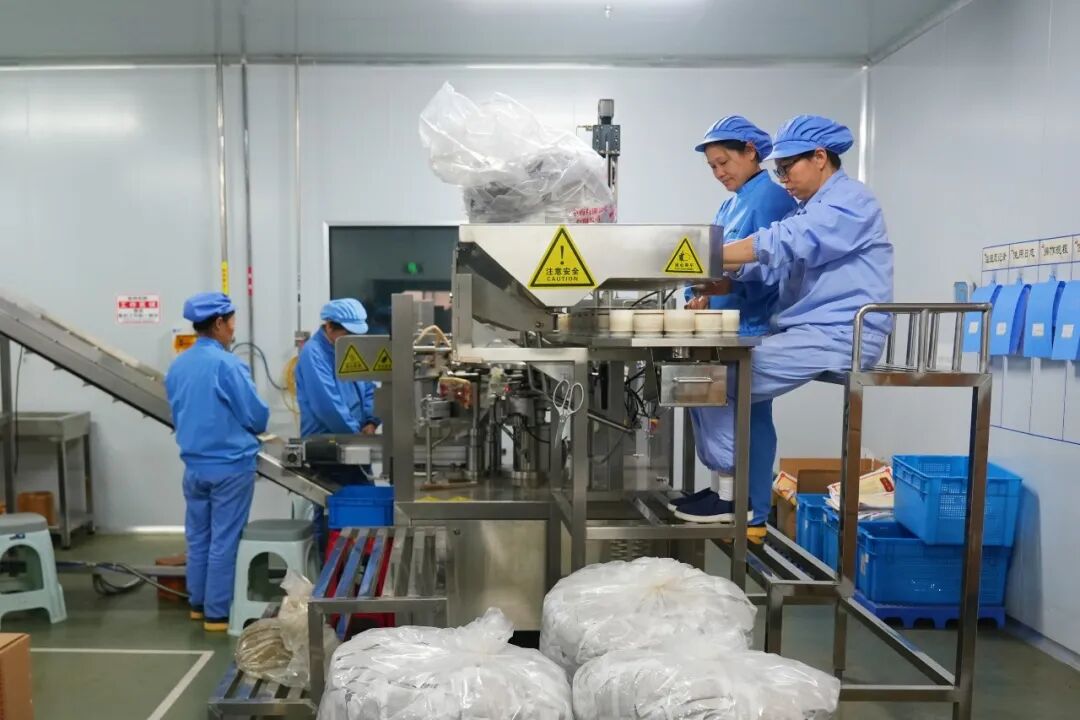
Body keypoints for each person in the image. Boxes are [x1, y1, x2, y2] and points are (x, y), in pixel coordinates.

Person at [674, 115, 893, 526]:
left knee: (716, 380)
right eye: (779, 170)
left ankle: (736, 498)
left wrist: (704, 254)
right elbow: (777, 264)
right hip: (811, 331)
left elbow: (784, 242)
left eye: (788, 167)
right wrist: (721, 280)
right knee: (708, 378)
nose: (783, 179)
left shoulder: (851, 201)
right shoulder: (812, 206)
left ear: (820, 157)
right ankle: (729, 492)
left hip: (841, 334)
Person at [669, 116, 797, 532]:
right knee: (719, 411)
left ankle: (750, 504)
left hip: (752, 324)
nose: (719, 173)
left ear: (751, 151)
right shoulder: (732, 202)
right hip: (726, 323)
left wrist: (729, 284)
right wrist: (701, 294)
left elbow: (777, 266)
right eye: (712, 167)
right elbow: (715, 262)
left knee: (748, 414)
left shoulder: (771, 199)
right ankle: (724, 491)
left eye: (724, 162)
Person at [165, 292, 269, 631]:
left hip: (194, 468)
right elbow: (256, 416)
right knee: (224, 540)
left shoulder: (179, 365)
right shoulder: (227, 365)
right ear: (220, 323)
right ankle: (218, 613)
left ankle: (198, 604)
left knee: (198, 538)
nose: (234, 329)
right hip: (230, 467)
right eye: (232, 322)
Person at [295, 298, 382, 550]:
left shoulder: (349, 349)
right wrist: (356, 436)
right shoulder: (313, 354)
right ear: (330, 327)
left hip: (354, 444)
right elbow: (328, 406)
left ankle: (359, 567)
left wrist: (371, 421)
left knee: (363, 514)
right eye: (347, 333)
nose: (352, 340)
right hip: (328, 448)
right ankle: (330, 570)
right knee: (332, 516)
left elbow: (368, 386)